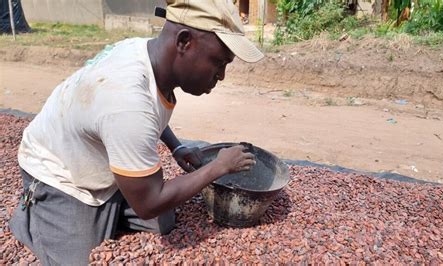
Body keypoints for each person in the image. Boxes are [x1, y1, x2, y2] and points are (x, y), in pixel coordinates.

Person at [9, 0, 264, 264]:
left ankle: (116, 200)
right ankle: (35, 214)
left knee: (164, 219)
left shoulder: (146, 54)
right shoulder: (126, 102)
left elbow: (150, 109)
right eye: (218, 62)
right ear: (184, 42)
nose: (221, 75)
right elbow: (148, 203)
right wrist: (218, 167)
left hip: (99, 157)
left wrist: (176, 147)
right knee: (78, 260)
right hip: (60, 173)